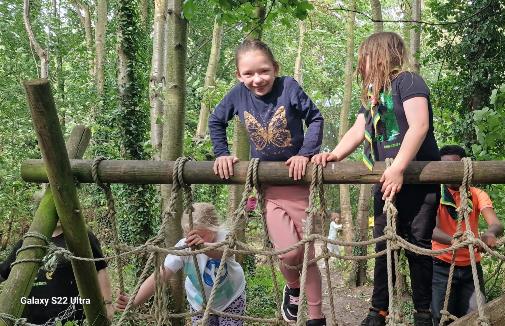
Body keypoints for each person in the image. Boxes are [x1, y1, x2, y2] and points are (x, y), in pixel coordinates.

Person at [312, 32, 439, 326]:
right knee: (384, 244)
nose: (361, 63)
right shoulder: (373, 94)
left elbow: (419, 126)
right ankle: (377, 311)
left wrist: (398, 168)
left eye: (365, 57)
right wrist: (335, 155)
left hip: (418, 179)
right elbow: (359, 130)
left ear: (382, 55)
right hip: (386, 182)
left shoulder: (408, 82)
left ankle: (423, 313)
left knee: (417, 244)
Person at [208, 39, 326, 326]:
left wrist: (304, 154)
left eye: (263, 71)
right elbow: (215, 121)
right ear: (239, 75)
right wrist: (222, 154)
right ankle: (293, 288)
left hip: (299, 184)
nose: (257, 79)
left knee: (308, 253)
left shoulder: (289, 87)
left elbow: (316, 119)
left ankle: (316, 316)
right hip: (269, 189)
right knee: (290, 251)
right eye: (248, 74)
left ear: (275, 68)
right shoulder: (238, 95)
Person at [115, 203, 246, 326]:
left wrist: (204, 245)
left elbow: (224, 252)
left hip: (231, 299)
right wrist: (135, 300)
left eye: (199, 235)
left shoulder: (224, 238)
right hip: (200, 303)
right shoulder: (184, 246)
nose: (191, 240)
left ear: (214, 229)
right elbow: (161, 274)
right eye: (187, 233)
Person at [430, 145, 504, 325]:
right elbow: (430, 229)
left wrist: (489, 234)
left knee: (477, 317)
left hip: (472, 267)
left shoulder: (476, 194)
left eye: (454, 167)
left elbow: (496, 223)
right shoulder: (434, 195)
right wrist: (456, 241)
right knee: (441, 318)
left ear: (464, 166)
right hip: (441, 266)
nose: (450, 172)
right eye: (445, 167)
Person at [0, 222, 114, 324]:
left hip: (73, 318)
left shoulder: (82, 237)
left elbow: (100, 269)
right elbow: (3, 272)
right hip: (32, 320)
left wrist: (108, 304)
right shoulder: (29, 241)